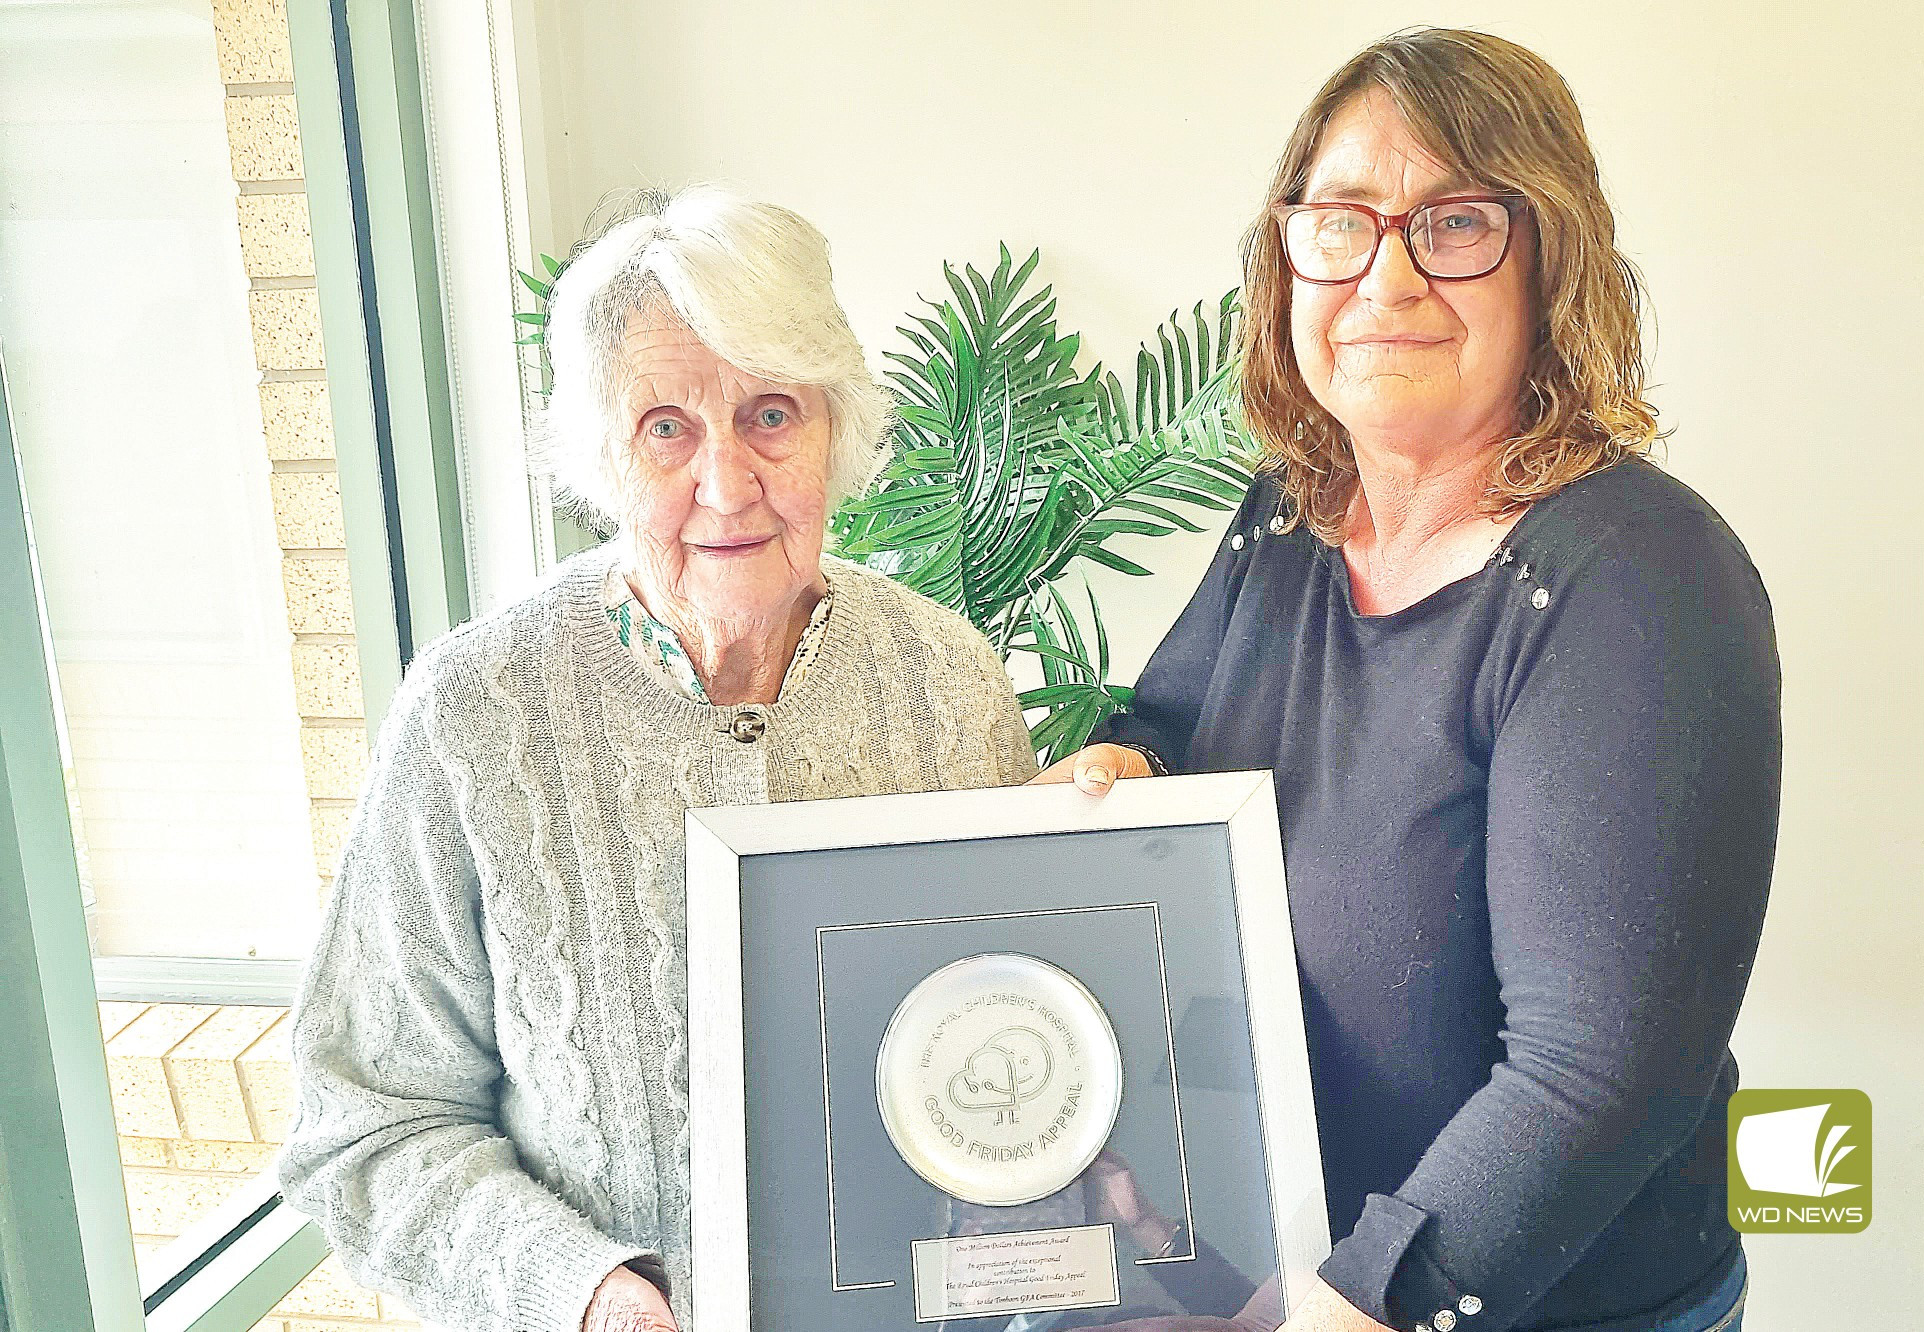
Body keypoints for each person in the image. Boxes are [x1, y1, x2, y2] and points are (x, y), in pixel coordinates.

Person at [1043, 29, 1777, 1332]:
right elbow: (1170, 718)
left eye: (1452, 223)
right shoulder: (1290, 518)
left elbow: (1600, 1071)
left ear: (1550, 257)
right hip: (1282, 1282)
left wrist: (1360, 1304)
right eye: (1341, 222)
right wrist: (1123, 769)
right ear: (1290, 258)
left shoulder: (1642, 579)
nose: (1387, 274)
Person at [277, 186, 1038, 1332]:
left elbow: (1019, 1029)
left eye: (771, 414)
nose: (725, 484)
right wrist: (577, 1292)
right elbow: (369, 1125)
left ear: (837, 434)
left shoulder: (949, 682)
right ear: (602, 457)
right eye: (666, 427)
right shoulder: (476, 712)